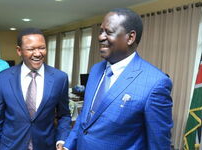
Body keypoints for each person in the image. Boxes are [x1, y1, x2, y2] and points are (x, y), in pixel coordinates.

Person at [63, 8, 173, 150]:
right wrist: (68, 145)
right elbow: (85, 116)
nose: (100, 37)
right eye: (101, 31)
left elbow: (159, 144)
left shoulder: (155, 83)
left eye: (108, 32)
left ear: (130, 37)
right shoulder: (96, 70)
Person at [0, 28, 71, 150]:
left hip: (46, 145)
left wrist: (62, 139)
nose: (37, 54)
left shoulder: (60, 78)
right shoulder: (4, 78)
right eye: (31, 49)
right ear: (19, 51)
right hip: (11, 146)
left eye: (42, 48)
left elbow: (64, 115)